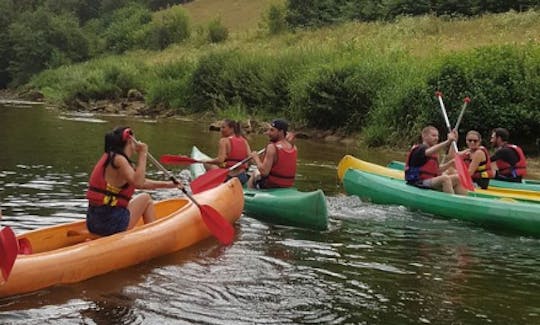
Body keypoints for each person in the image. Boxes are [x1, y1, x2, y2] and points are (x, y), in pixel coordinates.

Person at [86, 126, 178, 236]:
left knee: (144, 197)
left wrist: (168, 185)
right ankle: (155, 236)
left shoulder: (112, 157)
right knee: (146, 198)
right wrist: (142, 154)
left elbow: (140, 182)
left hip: (94, 221)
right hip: (109, 224)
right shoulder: (119, 160)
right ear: (130, 141)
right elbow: (138, 182)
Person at [405, 126, 467, 195]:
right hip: (418, 181)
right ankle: (451, 202)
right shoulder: (419, 149)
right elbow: (427, 152)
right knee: (445, 178)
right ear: (424, 136)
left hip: (431, 181)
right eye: (433, 136)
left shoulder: (434, 153)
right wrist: (447, 142)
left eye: (437, 136)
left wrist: (451, 162)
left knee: (458, 178)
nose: (436, 138)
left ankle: (462, 200)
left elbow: (438, 170)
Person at [247, 119, 297, 189]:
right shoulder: (293, 147)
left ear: (281, 132)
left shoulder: (272, 147)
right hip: (288, 184)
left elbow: (264, 172)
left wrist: (256, 158)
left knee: (255, 173)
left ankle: (249, 195)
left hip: (272, 184)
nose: (268, 133)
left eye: (272, 130)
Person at [203, 119, 251, 184]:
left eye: (223, 127)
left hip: (228, 177)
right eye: (220, 127)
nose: (221, 130)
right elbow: (249, 158)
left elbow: (220, 160)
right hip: (242, 177)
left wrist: (207, 161)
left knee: (207, 164)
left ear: (232, 129)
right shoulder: (244, 141)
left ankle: (211, 181)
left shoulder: (224, 141)